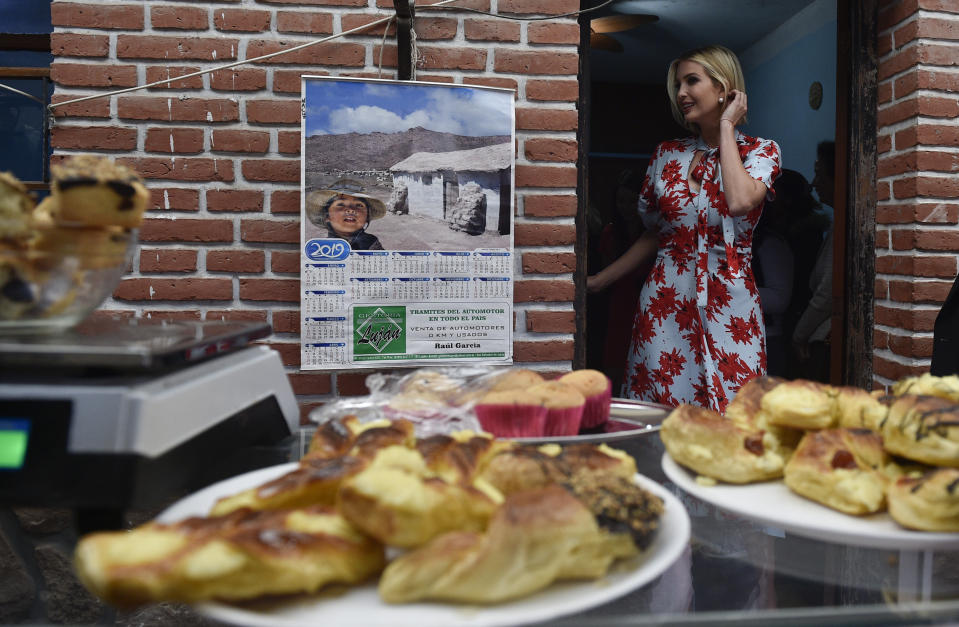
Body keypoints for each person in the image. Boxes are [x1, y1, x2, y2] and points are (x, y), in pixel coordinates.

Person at [587, 45, 782, 412]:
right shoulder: (667, 154)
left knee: (735, 412)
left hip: (731, 304)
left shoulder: (762, 151)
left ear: (724, 87)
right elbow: (656, 234)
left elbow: (740, 201)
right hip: (665, 301)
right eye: (678, 84)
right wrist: (600, 281)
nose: (681, 94)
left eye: (692, 81)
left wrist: (726, 126)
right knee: (661, 410)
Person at [792, 141, 836, 383]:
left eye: (820, 174)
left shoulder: (845, 227)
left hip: (825, 339)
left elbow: (827, 293)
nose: (814, 183)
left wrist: (799, 335)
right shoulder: (836, 226)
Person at [306, 178, 386, 250]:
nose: (351, 210)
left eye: (359, 205)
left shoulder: (372, 242)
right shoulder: (322, 249)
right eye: (341, 204)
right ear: (327, 216)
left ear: (366, 217)